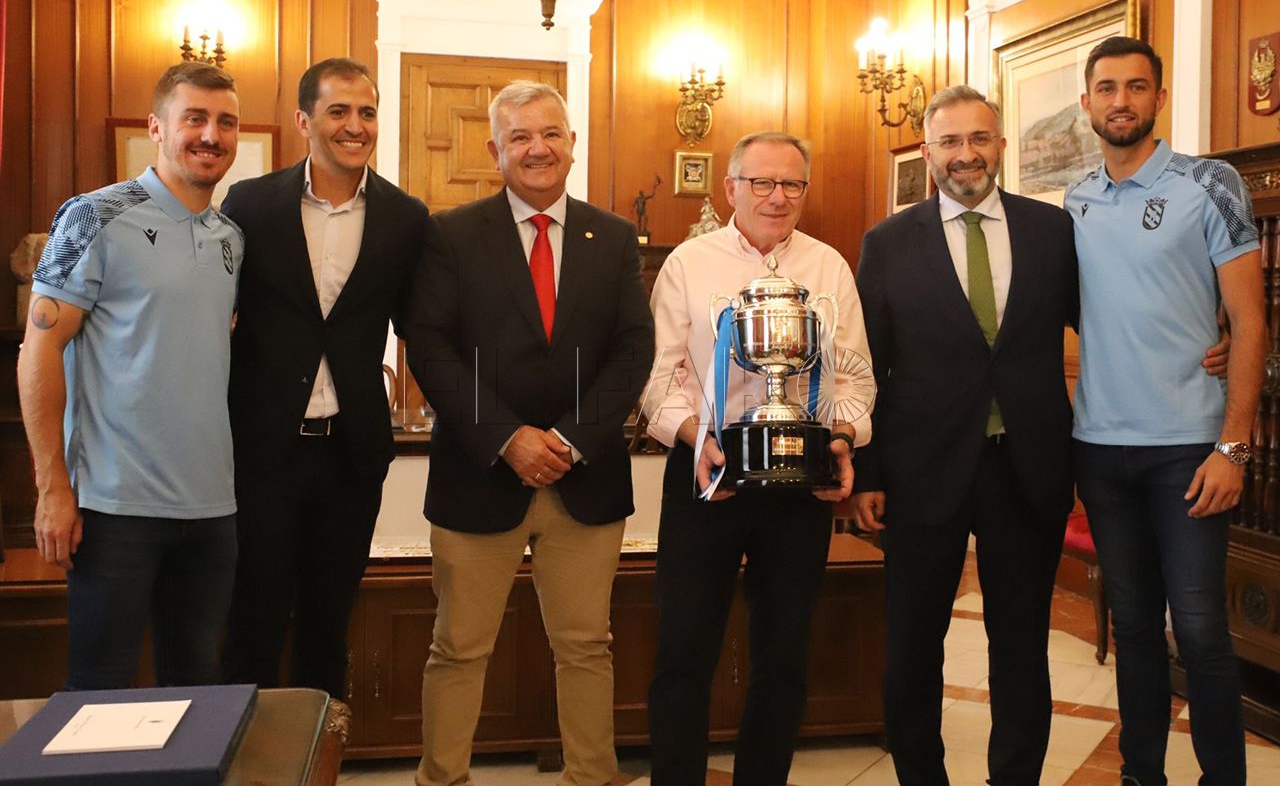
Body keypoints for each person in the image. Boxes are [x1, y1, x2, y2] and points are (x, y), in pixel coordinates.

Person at [403, 80, 654, 786]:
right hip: (478, 476)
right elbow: (429, 347)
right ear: (495, 149)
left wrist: (572, 440)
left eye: (550, 133)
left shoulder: (611, 240)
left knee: (587, 647)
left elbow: (634, 349)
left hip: (587, 480)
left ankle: (591, 776)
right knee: (457, 648)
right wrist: (507, 437)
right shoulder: (450, 234)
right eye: (519, 137)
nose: (537, 148)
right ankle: (442, 779)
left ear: (572, 142)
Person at [853, 85, 1079, 785]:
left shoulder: (1053, 232)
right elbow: (863, 367)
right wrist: (867, 475)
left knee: (1021, 649)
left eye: (979, 139)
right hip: (921, 472)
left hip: (1027, 468)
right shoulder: (888, 243)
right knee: (912, 649)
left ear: (1001, 145)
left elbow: (1104, 324)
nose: (965, 154)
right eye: (950, 142)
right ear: (929, 152)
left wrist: (1205, 340)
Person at [643, 131, 873, 785]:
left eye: (793, 184)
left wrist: (843, 438)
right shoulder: (689, 264)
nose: (778, 197)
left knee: (785, 656)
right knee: (684, 651)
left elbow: (855, 376)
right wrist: (695, 436)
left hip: (800, 484)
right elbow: (661, 375)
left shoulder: (829, 267)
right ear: (731, 189)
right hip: (704, 474)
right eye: (762, 183)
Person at [1067, 36, 1264, 786]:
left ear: (1158, 98)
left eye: (1137, 87)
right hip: (1099, 448)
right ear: (1086, 103)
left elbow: (1249, 322)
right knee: (1138, 631)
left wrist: (1234, 447)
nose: (1122, 100)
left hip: (1190, 448)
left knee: (1204, 631)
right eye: (1107, 87)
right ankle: (1139, 775)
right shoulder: (1075, 200)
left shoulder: (1207, 183)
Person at [18, 62, 242, 689]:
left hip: (211, 508)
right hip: (113, 507)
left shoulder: (231, 237)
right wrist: (52, 487)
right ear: (157, 127)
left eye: (225, 122)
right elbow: (38, 351)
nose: (210, 135)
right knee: (100, 691)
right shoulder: (95, 216)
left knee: (196, 690)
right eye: (193, 118)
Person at [219, 58, 431, 698]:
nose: (355, 125)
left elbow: (421, 330)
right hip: (259, 456)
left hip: (351, 456)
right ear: (304, 121)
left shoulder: (405, 216)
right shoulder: (249, 205)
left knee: (326, 629)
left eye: (366, 112)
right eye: (339, 111)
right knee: (251, 626)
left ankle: (319, 765)